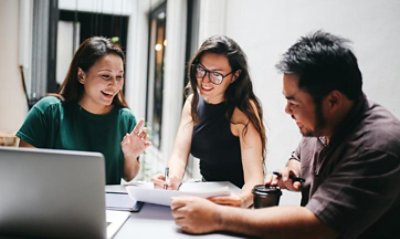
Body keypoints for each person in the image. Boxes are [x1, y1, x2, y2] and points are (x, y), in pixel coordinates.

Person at [170, 30, 400, 238]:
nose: (287, 110)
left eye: (294, 102)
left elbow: (317, 225)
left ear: (333, 100)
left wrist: (217, 217)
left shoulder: (378, 144)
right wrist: (292, 170)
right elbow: (299, 155)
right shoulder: (323, 125)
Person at [16, 36, 150, 184]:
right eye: (106, 76)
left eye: (119, 77)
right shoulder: (48, 111)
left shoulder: (125, 119)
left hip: (106, 206)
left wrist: (130, 155)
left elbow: (129, 176)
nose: (114, 85)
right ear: (81, 75)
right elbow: (23, 171)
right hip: (50, 204)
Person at [153, 35, 266, 208]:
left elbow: (254, 179)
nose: (205, 80)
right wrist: (172, 180)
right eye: (201, 70)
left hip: (240, 199)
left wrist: (241, 201)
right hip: (206, 194)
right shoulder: (193, 102)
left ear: (234, 76)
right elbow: (178, 156)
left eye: (216, 75)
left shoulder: (243, 111)